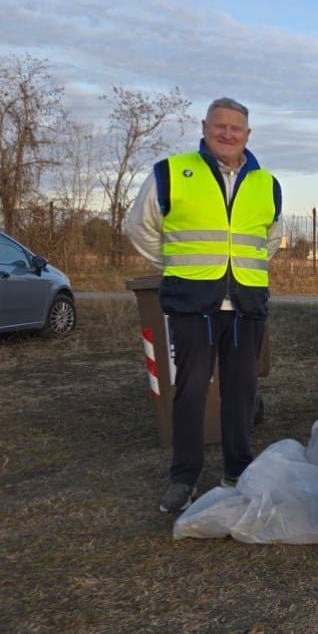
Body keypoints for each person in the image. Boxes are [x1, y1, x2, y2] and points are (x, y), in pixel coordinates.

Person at [125, 97, 283, 513]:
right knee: (191, 390)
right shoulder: (173, 173)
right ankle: (184, 477)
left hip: (246, 304)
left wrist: (240, 270)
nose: (227, 134)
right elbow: (139, 227)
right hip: (193, 303)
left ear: (248, 134)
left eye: (236, 128)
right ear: (204, 127)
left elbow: (271, 238)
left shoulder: (267, 183)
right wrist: (177, 266)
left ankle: (237, 471)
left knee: (242, 391)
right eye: (220, 126)